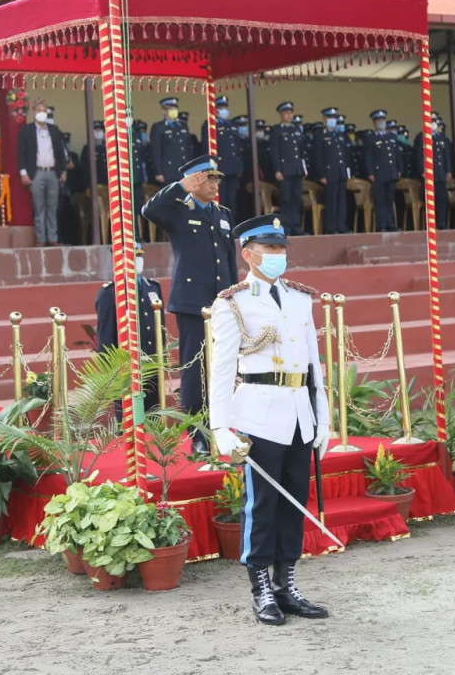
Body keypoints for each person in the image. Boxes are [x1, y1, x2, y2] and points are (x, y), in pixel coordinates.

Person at [208, 213, 330, 625]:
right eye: (270, 248)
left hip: (299, 414)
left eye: (281, 248)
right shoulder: (233, 302)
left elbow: (314, 365)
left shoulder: (299, 298)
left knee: (294, 501)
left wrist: (323, 419)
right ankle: (261, 588)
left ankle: (286, 583)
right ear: (248, 254)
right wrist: (221, 426)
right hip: (259, 414)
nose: (279, 255)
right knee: (261, 505)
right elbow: (221, 369)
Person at [140, 154, 238, 454]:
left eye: (216, 178)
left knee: (222, 366)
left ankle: (221, 425)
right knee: (196, 369)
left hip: (221, 300)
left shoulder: (222, 213)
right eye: (208, 178)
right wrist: (181, 187)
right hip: (193, 302)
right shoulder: (179, 210)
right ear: (194, 181)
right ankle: (198, 433)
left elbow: (228, 259)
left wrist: (234, 294)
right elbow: (150, 210)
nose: (214, 183)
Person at [95, 242, 164, 418]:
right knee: (129, 419)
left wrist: (161, 356)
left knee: (153, 416)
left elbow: (159, 329)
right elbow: (106, 335)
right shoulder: (110, 293)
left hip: (151, 362)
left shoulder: (153, 288)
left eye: (140, 256)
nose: (138, 261)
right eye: (134, 257)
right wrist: (110, 370)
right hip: (126, 365)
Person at [17, 97, 67, 246]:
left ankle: (52, 238)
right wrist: (23, 173)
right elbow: (21, 153)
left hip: (52, 172)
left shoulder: (54, 130)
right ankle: (41, 239)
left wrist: (63, 171)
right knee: (39, 208)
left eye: (44, 111)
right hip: (36, 173)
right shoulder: (27, 130)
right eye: (39, 111)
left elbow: (60, 152)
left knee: (53, 207)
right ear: (33, 112)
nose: (41, 113)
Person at [269, 101, 306, 235]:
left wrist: (303, 168)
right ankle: (286, 227)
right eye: (286, 113)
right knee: (286, 199)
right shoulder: (277, 130)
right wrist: (277, 169)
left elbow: (301, 152)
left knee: (296, 198)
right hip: (285, 171)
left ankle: (296, 226)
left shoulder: (296, 129)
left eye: (291, 113)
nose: (289, 115)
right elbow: (275, 152)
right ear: (281, 115)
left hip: (296, 170)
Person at [364, 109, 399, 232]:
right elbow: (368, 157)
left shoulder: (392, 137)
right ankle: (382, 224)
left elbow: (397, 155)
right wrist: (370, 172)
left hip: (391, 173)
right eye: (378, 120)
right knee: (379, 200)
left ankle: (390, 223)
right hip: (378, 174)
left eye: (383, 120)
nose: (381, 122)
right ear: (374, 123)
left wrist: (399, 169)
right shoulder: (371, 138)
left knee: (389, 199)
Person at [317, 107, 349, 234]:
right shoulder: (320, 136)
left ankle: (341, 226)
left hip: (341, 172)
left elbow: (344, 156)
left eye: (334, 118)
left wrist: (347, 172)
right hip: (329, 174)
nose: (333, 120)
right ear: (324, 119)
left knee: (341, 201)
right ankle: (331, 227)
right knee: (331, 201)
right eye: (330, 118)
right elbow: (318, 157)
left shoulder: (340, 136)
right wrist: (321, 174)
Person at [210, 95, 245, 214]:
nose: (224, 109)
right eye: (221, 107)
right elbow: (207, 148)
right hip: (219, 168)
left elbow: (237, 147)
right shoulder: (210, 124)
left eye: (225, 106)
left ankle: (230, 226)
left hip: (233, 168)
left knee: (231, 200)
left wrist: (239, 166)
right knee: (221, 200)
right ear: (215, 109)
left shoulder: (232, 125)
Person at [150, 97, 193, 185]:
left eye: (175, 108)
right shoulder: (158, 127)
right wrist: (158, 172)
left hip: (184, 169)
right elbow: (156, 152)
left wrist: (190, 168)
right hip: (168, 172)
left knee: (184, 197)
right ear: (164, 111)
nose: (173, 110)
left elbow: (188, 149)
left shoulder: (182, 126)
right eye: (170, 108)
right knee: (170, 197)